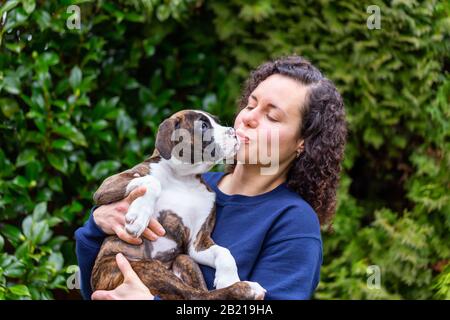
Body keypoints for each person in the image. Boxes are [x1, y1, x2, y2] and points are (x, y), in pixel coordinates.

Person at [75, 55, 347, 300]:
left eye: (272, 116)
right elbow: (97, 288)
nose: (249, 118)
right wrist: (98, 225)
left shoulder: (294, 223)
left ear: (303, 142)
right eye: (251, 105)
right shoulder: (190, 182)